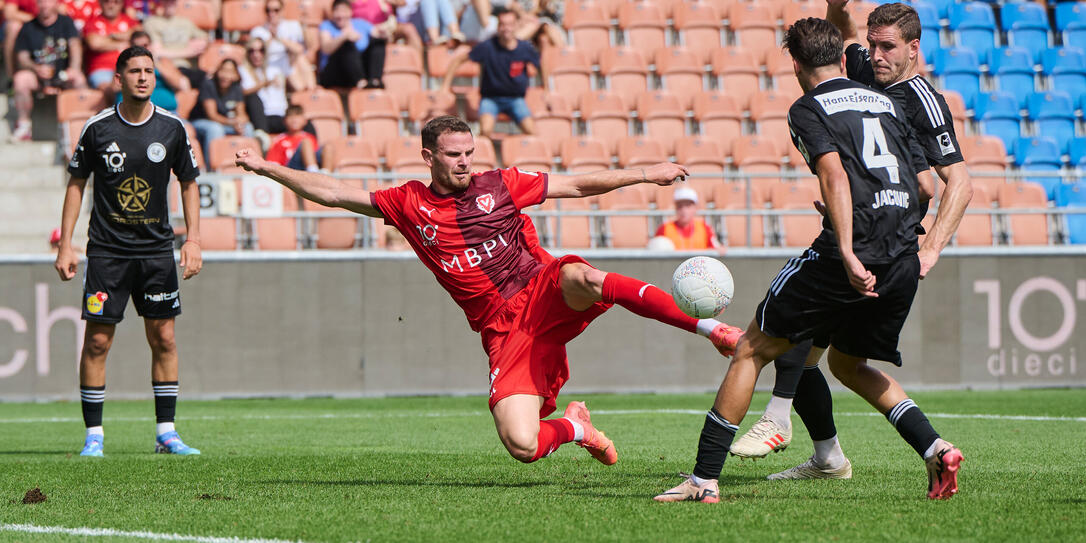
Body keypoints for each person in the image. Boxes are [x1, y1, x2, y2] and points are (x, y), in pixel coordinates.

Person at [234, 115, 745, 468]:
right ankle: (575, 428)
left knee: (584, 276)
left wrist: (644, 174)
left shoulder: (500, 184)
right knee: (522, 443)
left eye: (469, 154)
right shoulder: (406, 203)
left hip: (540, 286)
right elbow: (332, 192)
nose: (464, 163)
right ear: (428, 156)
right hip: (503, 328)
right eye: (453, 156)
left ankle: (709, 327)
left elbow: (576, 185)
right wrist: (267, 167)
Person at [654, 18, 962, 503]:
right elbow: (926, 186)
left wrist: (845, 245)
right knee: (848, 364)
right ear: (844, 59)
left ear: (795, 64)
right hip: (902, 252)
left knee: (752, 349)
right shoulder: (886, 102)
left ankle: (704, 479)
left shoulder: (807, 107)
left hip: (851, 252)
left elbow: (835, 176)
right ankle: (934, 449)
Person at [729, 1, 976, 482]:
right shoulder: (864, 70)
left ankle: (779, 420)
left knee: (788, 335)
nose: (876, 55)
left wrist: (932, 247)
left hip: (884, 244)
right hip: (860, 230)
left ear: (913, 49)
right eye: (872, 45)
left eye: (888, 47)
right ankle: (838, 457)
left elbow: (955, 185)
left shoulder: (919, 98)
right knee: (838, 361)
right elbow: (837, 33)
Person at [54, 45, 203, 457]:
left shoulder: (172, 128)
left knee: (165, 338)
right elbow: (76, 184)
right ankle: (94, 436)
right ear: (118, 78)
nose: (143, 77)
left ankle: (166, 432)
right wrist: (67, 244)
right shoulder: (98, 128)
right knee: (98, 342)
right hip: (107, 253)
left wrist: (192, 238)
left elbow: (188, 183)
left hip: (157, 252)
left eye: (149, 71)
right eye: (134, 71)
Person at [442, 8, 538, 138]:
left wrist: (549, 89)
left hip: (516, 99)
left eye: (510, 24)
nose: (506, 28)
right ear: (498, 26)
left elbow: (541, 64)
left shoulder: (525, 48)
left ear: (516, 26)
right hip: (491, 99)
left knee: (533, 132)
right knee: (485, 132)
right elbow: (458, 61)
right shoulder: (488, 47)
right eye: (503, 24)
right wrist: (445, 87)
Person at [11, 0, 87, 141]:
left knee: (79, 79)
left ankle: (83, 127)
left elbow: (75, 47)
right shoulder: (28, 27)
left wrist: (74, 68)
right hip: (38, 77)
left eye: (48, 1)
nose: (45, 5)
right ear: (36, 4)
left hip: (63, 75)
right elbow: (22, 57)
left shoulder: (66, 23)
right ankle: (24, 125)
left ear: (56, 3)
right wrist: (36, 68)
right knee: (20, 79)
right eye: (41, 1)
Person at [190, 58, 254, 154]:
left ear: (236, 75)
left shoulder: (236, 88)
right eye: (223, 70)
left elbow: (242, 113)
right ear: (217, 71)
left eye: (230, 72)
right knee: (215, 129)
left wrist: (240, 123)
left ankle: (249, 162)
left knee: (248, 127)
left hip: (227, 123)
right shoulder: (208, 84)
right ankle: (212, 167)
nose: (225, 75)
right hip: (202, 121)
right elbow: (212, 115)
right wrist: (233, 123)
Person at [249, 0, 316, 92]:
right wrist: (270, 38)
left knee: (299, 58)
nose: (272, 14)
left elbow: (306, 48)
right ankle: (304, 91)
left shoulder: (293, 26)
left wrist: (279, 38)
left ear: (282, 10)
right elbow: (257, 54)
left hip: (289, 63)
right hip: (269, 65)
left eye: (276, 10)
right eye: (268, 10)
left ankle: (310, 90)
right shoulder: (258, 31)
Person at [317, 0, 385, 89]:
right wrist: (344, 36)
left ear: (350, 12)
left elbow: (377, 34)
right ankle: (360, 82)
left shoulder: (361, 23)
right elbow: (326, 48)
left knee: (378, 43)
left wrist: (384, 33)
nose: (340, 15)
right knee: (346, 45)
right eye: (337, 11)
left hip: (360, 67)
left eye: (344, 11)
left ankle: (375, 80)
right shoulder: (326, 25)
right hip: (334, 72)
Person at [141, 0, 206, 87]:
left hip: (188, 68)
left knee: (210, 80)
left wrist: (168, 52)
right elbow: (157, 52)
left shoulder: (185, 22)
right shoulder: (152, 23)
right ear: (162, 3)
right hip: (167, 67)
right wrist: (188, 52)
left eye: (173, 2)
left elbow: (204, 40)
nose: (170, 4)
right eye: (167, 1)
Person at [82, 0, 138, 96]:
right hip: (101, 70)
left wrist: (110, 37)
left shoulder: (129, 20)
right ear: (100, 3)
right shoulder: (92, 21)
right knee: (108, 88)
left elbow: (138, 36)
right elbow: (94, 43)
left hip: (127, 67)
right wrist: (122, 41)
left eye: (116, 2)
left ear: (122, 4)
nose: (111, 5)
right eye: (107, 1)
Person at [239, 36, 288, 134]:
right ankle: (263, 136)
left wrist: (277, 36)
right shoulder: (243, 71)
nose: (256, 55)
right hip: (262, 115)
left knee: (305, 122)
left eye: (261, 50)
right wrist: (264, 84)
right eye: (252, 51)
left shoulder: (274, 70)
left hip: (281, 113)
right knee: (253, 98)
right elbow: (243, 92)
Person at [654, 187, 720, 251]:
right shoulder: (664, 229)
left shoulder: (705, 228)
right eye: (680, 206)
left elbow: (716, 249)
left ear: (695, 208)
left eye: (688, 206)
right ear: (675, 208)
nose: (684, 210)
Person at [265, 104, 319, 171]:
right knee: (306, 142)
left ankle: (326, 172)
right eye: (290, 116)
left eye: (297, 115)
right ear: (284, 120)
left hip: (306, 167)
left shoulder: (311, 137)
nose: (294, 119)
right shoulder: (279, 140)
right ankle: (314, 173)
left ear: (305, 120)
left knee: (329, 147)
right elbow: (272, 163)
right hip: (289, 169)